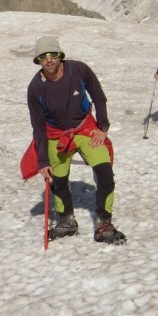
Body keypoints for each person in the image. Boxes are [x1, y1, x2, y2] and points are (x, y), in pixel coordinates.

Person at [26, 35, 125, 244]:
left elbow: (98, 96)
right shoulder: (36, 88)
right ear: (38, 61)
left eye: (53, 54)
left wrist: (103, 127)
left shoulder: (78, 70)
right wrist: (42, 160)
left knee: (105, 173)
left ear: (60, 55)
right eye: (43, 56)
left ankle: (104, 222)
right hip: (56, 135)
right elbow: (38, 126)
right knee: (58, 180)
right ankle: (66, 221)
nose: (49, 59)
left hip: (86, 128)